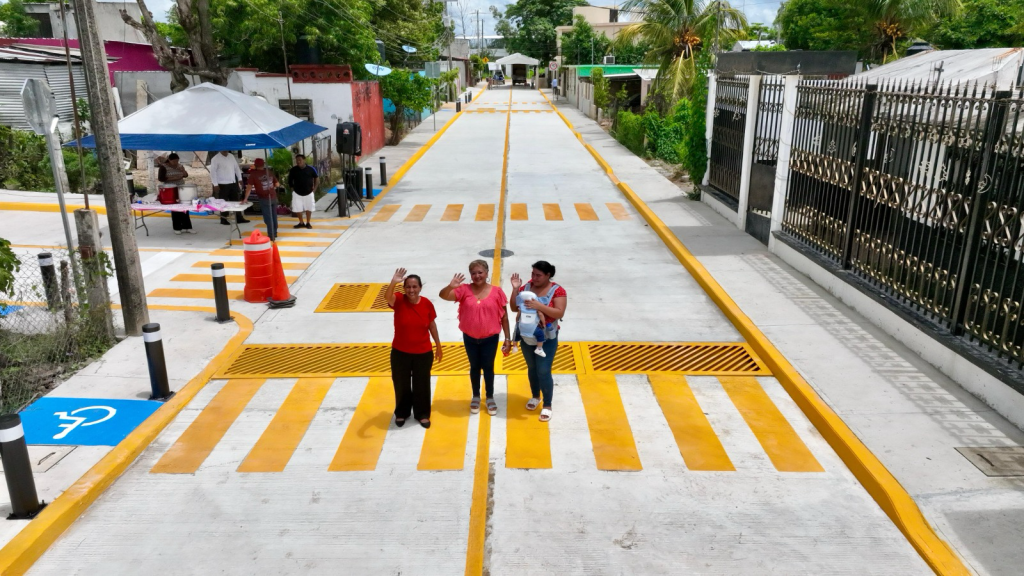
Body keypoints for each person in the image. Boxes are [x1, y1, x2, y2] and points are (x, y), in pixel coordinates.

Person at [438, 260, 511, 416]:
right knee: (474, 366)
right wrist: (451, 286)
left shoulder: (497, 292)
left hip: (490, 338)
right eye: (474, 273)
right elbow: (443, 296)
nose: (477, 276)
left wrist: (507, 338)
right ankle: (476, 396)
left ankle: (490, 396)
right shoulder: (463, 289)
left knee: (488, 367)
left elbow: (504, 317)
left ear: (486, 273)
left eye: (480, 272)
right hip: (470, 338)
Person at [510, 261, 566, 422]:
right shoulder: (526, 288)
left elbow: (558, 312)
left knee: (543, 369)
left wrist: (538, 305)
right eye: (533, 274)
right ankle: (536, 396)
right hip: (527, 337)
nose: (534, 278)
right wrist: (515, 289)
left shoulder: (558, 290)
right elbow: (514, 308)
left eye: (538, 275)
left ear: (548, 275)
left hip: (546, 338)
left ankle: (547, 405)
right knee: (532, 368)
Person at [387, 268, 442, 428]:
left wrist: (438, 345)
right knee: (401, 383)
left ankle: (422, 414)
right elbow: (386, 297)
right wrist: (393, 282)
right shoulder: (398, 299)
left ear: (420, 288)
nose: (411, 290)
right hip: (400, 353)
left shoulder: (426, 303)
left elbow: (432, 325)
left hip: (423, 353)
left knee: (422, 384)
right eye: (408, 287)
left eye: (414, 287)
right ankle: (402, 413)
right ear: (404, 288)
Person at [157, 153, 195, 235]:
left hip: (181, 188)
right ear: (169, 160)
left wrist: (183, 171)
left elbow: (186, 175)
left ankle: (187, 227)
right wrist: (174, 178)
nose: (176, 162)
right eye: (174, 161)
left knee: (184, 207)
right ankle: (177, 227)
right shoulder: (163, 167)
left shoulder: (180, 166)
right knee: (175, 208)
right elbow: (161, 178)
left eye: (177, 161)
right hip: (170, 190)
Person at [209, 150, 250, 226]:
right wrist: (215, 184)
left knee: (236, 201)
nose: (226, 150)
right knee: (223, 202)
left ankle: (239, 218)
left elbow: (236, 168)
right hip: (222, 184)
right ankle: (224, 219)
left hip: (233, 182)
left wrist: (240, 179)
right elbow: (213, 172)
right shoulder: (215, 158)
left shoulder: (231, 156)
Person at [245, 158, 280, 241]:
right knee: (274, 216)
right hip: (273, 197)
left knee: (268, 218)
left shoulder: (253, 174)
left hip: (264, 198)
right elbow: (277, 184)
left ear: (255, 165)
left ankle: (271, 235)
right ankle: (274, 233)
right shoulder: (269, 172)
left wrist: (245, 198)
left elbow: (249, 188)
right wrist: (270, 187)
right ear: (263, 165)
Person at [287, 154, 319, 229]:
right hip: (297, 193)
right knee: (298, 208)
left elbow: (316, 178)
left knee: (309, 208)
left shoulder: (311, 169)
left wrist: (314, 190)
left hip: (309, 192)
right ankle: (301, 222)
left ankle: (308, 222)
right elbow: (290, 180)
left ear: (304, 160)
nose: (298, 162)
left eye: (300, 160)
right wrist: (292, 190)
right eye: (297, 160)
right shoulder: (293, 170)